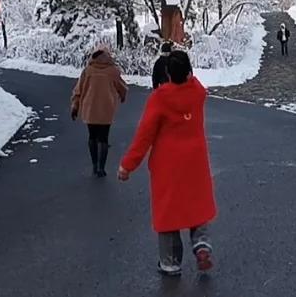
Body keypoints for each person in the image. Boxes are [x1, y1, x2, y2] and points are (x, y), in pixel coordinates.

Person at [118, 51, 216, 276]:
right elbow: (195, 82)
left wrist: (127, 165)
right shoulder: (197, 93)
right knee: (196, 203)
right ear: (189, 71)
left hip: (168, 165)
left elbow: (144, 136)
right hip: (195, 161)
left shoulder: (160, 99)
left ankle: (170, 262)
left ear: (168, 74)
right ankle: (201, 246)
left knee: (169, 212)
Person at [70, 47, 128, 177]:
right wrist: (122, 95)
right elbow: (122, 87)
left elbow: (78, 90)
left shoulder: (87, 71)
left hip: (89, 108)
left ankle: (94, 164)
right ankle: (102, 167)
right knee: (103, 138)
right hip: (106, 109)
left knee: (92, 137)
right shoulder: (113, 71)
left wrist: (75, 106)